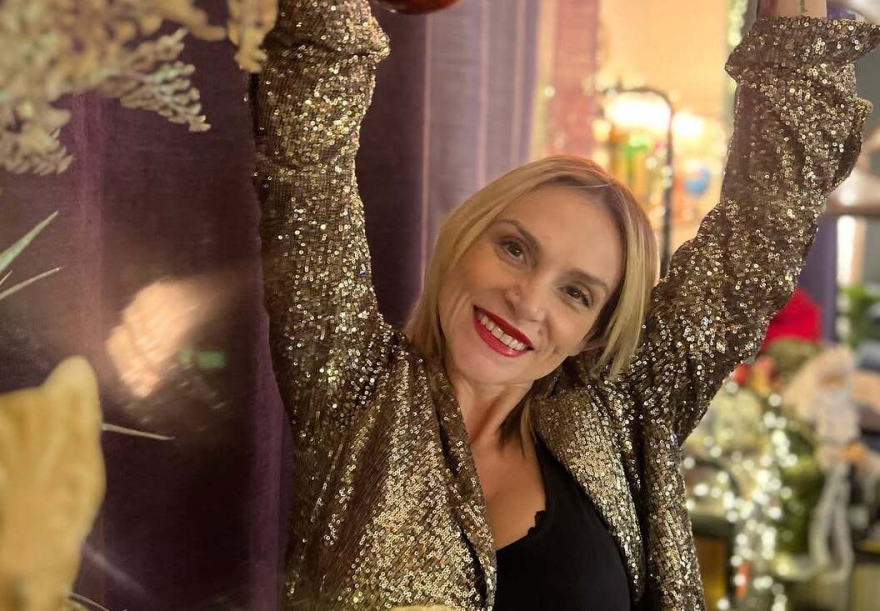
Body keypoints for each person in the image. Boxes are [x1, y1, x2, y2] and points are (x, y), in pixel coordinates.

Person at [250, 0, 879, 608]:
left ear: (593, 332)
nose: (526, 301)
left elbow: (766, 225)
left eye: (576, 293)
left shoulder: (624, 410)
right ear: (463, 237)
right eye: (514, 249)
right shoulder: (354, 389)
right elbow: (307, 166)